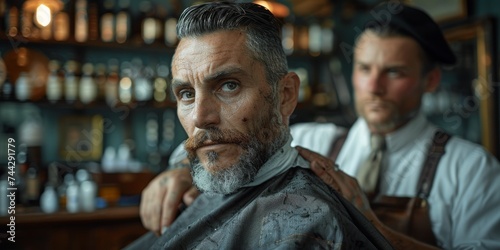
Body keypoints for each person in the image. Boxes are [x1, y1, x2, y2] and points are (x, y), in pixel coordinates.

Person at [140, 2, 500, 249]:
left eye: (394, 72)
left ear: (431, 80)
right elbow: (217, 139)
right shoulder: (314, 138)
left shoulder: (471, 169)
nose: (374, 86)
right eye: (363, 69)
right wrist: (181, 174)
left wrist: (374, 230)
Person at [127, 2, 393, 249]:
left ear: (286, 95)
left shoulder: (308, 222)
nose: (199, 117)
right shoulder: (200, 190)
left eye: (228, 86)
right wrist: (180, 169)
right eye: (187, 94)